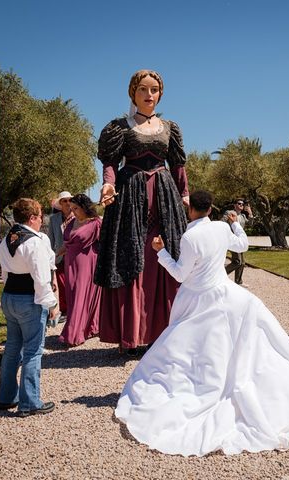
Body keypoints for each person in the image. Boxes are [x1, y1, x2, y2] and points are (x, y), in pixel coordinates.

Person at [115, 191, 289, 456]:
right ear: (211, 209)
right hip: (225, 293)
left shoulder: (190, 237)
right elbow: (241, 246)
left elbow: (180, 274)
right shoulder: (222, 228)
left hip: (197, 299)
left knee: (191, 348)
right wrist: (235, 223)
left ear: (191, 211)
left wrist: (161, 252)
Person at [94, 69, 189, 355]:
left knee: (163, 259)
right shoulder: (118, 127)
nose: (149, 95)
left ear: (160, 94)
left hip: (164, 196)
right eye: (143, 90)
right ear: (133, 93)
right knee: (131, 257)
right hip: (130, 197)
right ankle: (131, 334)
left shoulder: (170, 127)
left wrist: (184, 195)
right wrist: (108, 185)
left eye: (154, 90)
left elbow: (178, 166)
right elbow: (110, 162)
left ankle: (162, 333)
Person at [0, 198, 57, 417]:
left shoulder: (6, 240)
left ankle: (6, 397)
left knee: (12, 348)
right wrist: (52, 304)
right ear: (32, 218)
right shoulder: (34, 242)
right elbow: (41, 279)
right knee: (33, 350)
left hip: (9, 296)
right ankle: (30, 402)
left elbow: (4, 273)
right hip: (29, 299)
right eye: (41, 216)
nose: (42, 220)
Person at [58, 194, 101, 347]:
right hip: (69, 263)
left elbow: (105, 244)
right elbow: (66, 245)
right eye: (71, 208)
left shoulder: (96, 223)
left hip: (87, 264)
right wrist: (52, 255)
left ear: (84, 207)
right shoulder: (71, 222)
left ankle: (73, 333)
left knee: (80, 296)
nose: (73, 211)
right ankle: (88, 327)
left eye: (76, 208)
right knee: (72, 295)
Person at [47, 191, 74, 321]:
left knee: (74, 284)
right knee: (62, 285)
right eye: (65, 201)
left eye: (69, 200)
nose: (68, 203)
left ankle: (75, 309)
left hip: (74, 257)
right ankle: (65, 310)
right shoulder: (54, 219)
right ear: (60, 204)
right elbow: (50, 239)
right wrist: (50, 256)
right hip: (59, 256)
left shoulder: (78, 216)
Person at [224, 198, 252, 286]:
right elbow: (222, 222)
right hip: (232, 240)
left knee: (242, 263)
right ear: (235, 205)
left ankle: (238, 281)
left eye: (242, 204)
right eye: (239, 203)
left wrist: (250, 213)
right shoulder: (229, 213)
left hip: (240, 240)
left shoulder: (243, 216)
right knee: (237, 261)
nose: (241, 205)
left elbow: (250, 224)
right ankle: (220, 276)